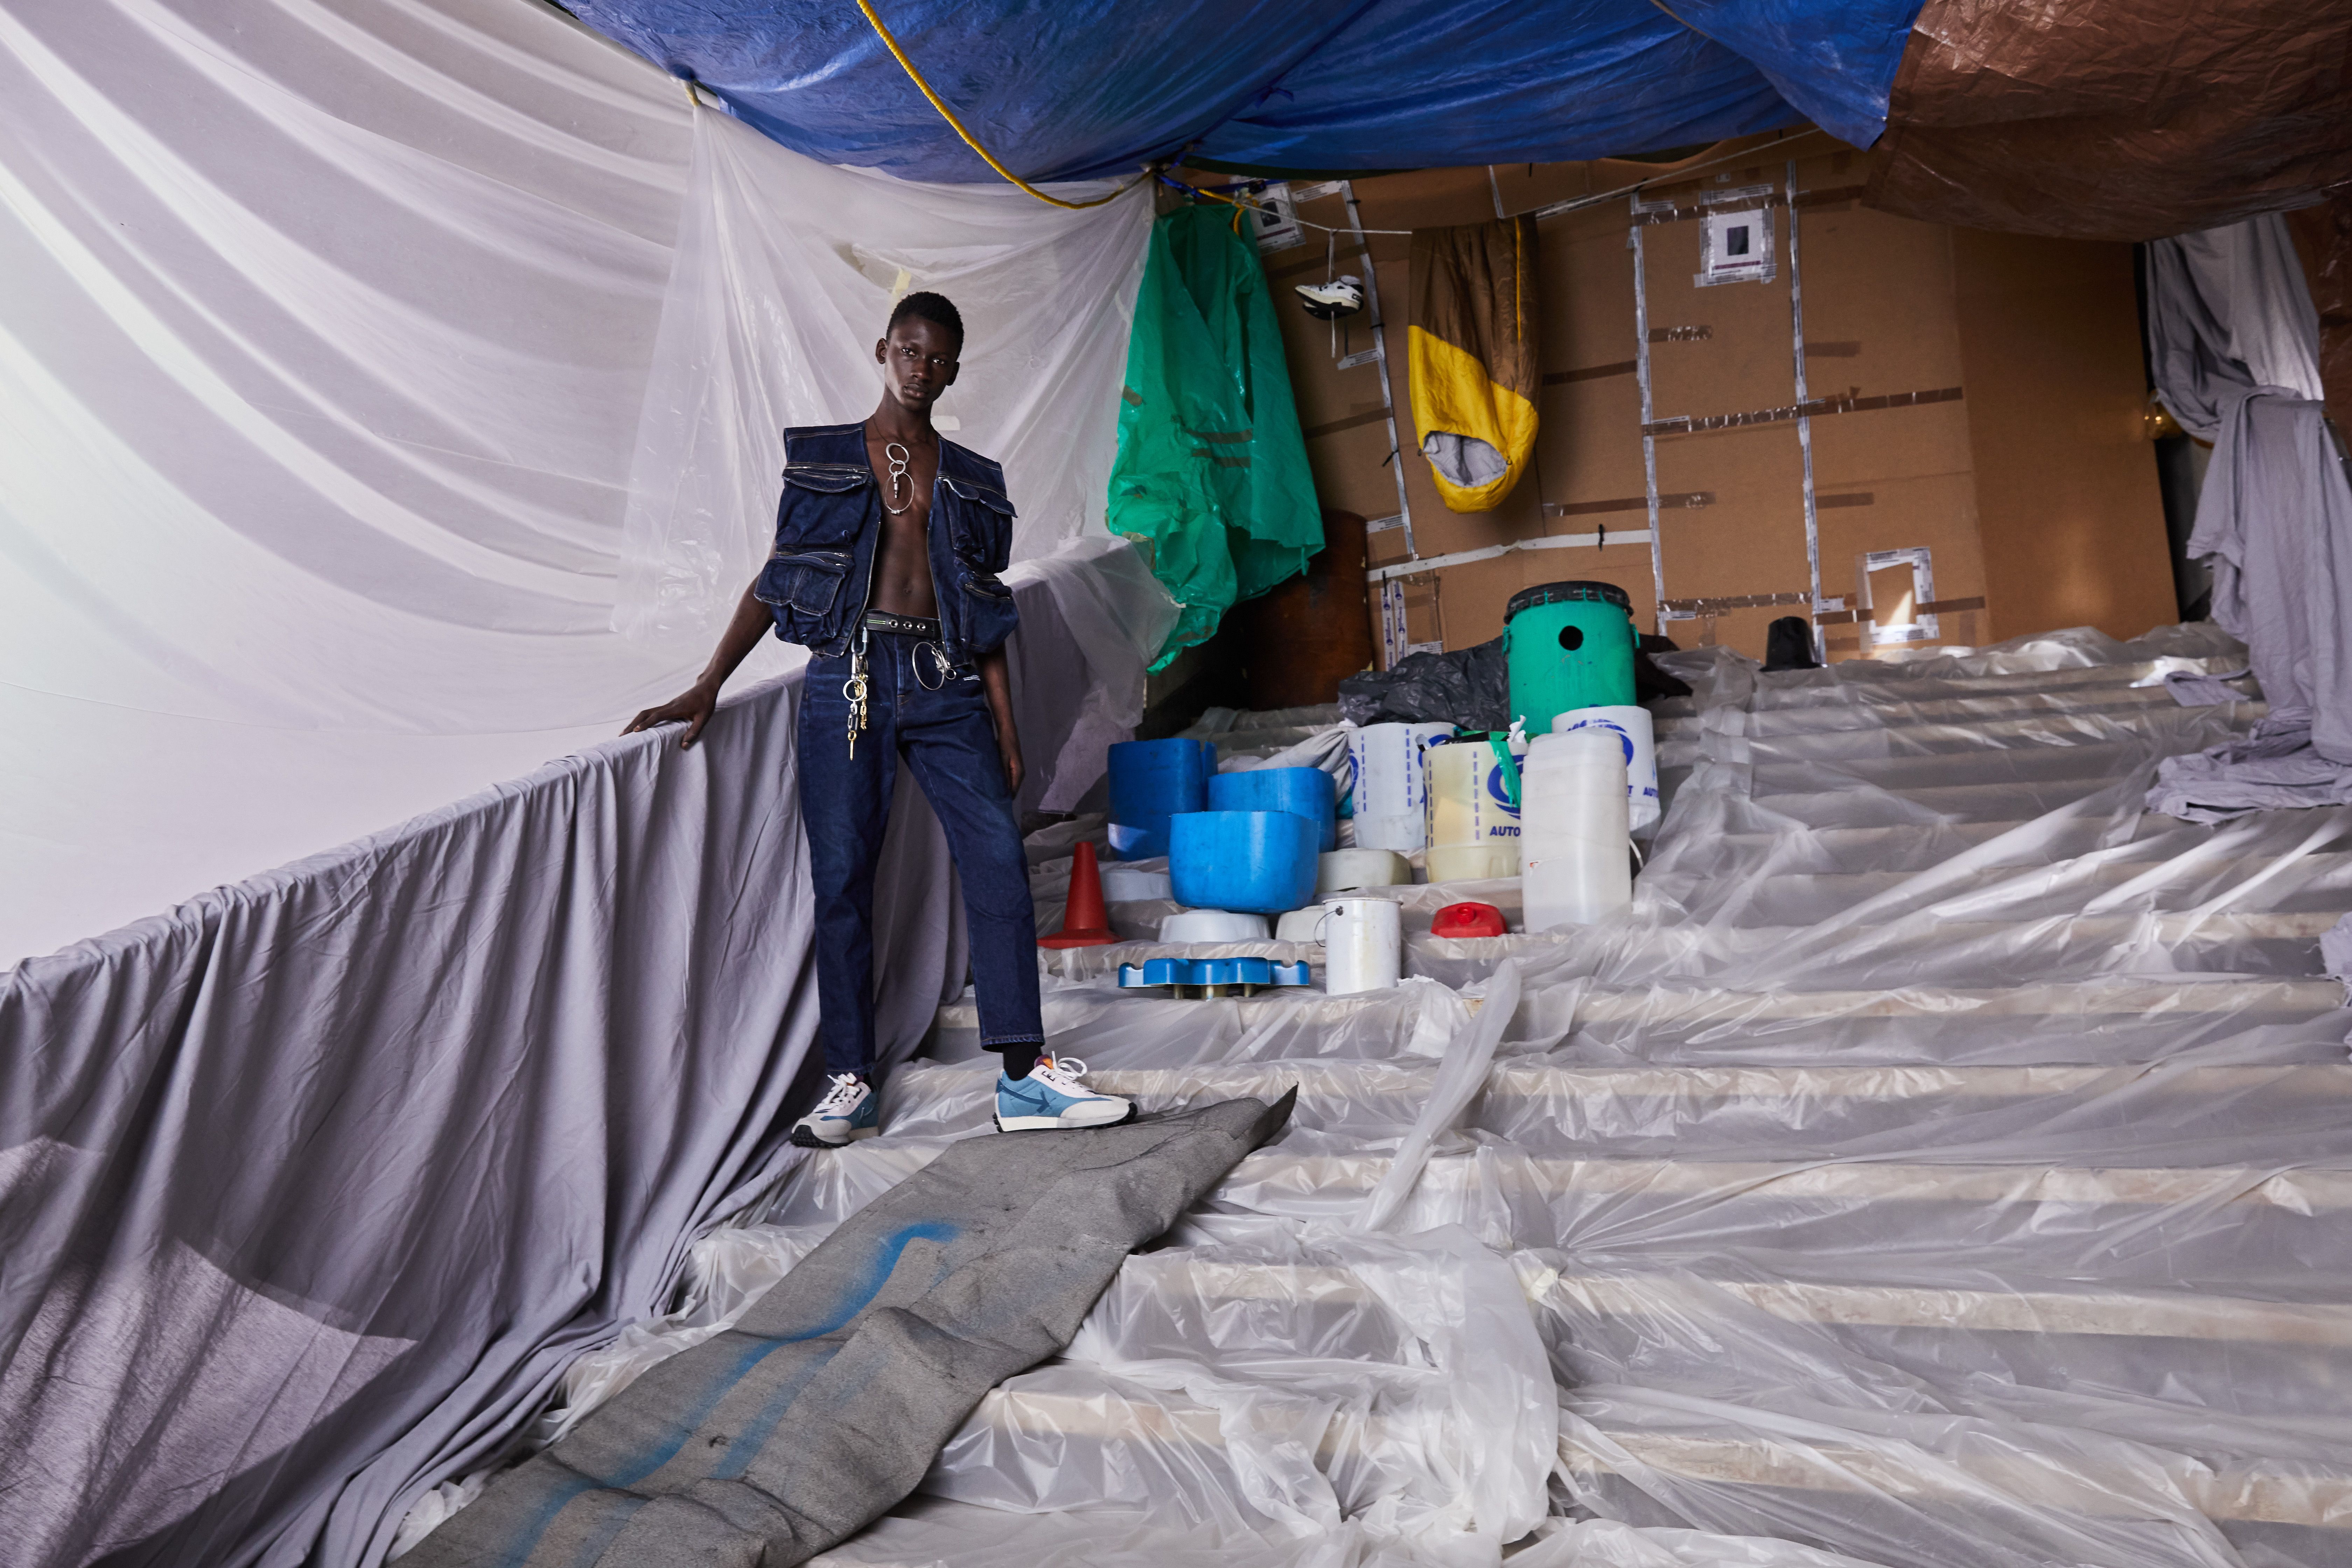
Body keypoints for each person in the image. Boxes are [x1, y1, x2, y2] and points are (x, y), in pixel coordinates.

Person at [625, 292, 1129, 1146]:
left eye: (937, 358)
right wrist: (710, 682)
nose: (921, 369)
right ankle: (851, 1081)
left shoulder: (971, 477)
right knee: (842, 883)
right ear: (882, 350)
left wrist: (1006, 728)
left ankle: (1023, 1076)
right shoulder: (828, 456)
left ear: (954, 370)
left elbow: (985, 611)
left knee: (999, 864)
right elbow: (777, 575)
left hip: (946, 681)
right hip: (849, 680)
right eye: (908, 351)